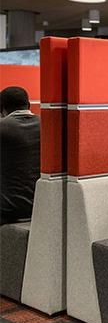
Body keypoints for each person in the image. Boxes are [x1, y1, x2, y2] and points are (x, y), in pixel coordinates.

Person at [0, 86, 40, 225]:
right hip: (40, 205)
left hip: (8, 210)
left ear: (2, 108)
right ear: (28, 105)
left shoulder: (3, 127)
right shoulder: (46, 125)